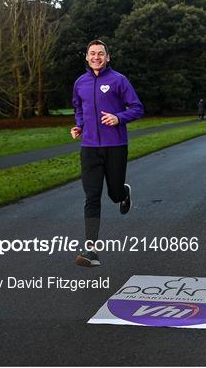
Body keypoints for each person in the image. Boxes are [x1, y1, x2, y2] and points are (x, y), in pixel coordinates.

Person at [71, 39, 144, 267]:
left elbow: (137, 108)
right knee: (92, 197)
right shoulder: (80, 82)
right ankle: (90, 251)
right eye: (92, 53)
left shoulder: (118, 80)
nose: (96, 57)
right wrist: (80, 126)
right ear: (86, 57)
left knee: (113, 194)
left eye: (100, 53)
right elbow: (79, 108)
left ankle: (123, 193)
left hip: (115, 146)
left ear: (107, 57)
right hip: (90, 148)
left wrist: (118, 118)